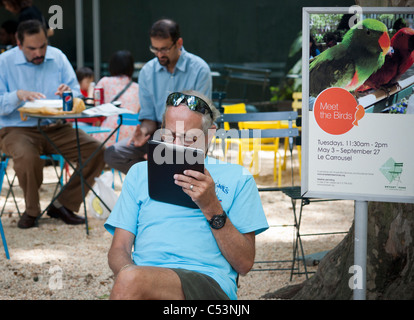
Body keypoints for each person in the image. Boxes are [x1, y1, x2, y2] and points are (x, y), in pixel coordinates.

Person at [105, 90, 269, 300]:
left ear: (210, 135)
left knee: (131, 279)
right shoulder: (139, 173)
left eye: (189, 138)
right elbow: (119, 248)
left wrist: (211, 206)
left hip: (206, 282)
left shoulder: (238, 178)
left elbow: (244, 263)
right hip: (142, 280)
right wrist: (132, 278)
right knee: (130, 278)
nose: (177, 146)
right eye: (170, 135)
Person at [0, 20, 105, 229]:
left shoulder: (57, 57)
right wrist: (17, 95)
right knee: (27, 156)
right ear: (19, 44)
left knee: (97, 150)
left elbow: (77, 96)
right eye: (32, 48)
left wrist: (69, 93)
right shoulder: (4, 61)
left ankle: (63, 205)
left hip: (55, 127)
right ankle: (31, 210)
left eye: (42, 46)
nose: (39, 53)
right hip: (16, 129)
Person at [104, 18, 212, 174]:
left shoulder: (200, 70)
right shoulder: (147, 72)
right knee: (114, 154)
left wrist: (176, 139)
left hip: (189, 136)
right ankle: (157, 176)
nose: (159, 55)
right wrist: (144, 131)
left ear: (179, 43)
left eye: (164, 49)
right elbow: (148, 117)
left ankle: (162, 175)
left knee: (178, 155)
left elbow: (201, 118)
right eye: (155, 49)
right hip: (158, 135)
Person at [92, 50, 140, 146]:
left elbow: (97, 106)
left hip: (108, 133)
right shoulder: (138, 87)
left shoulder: (104, 82)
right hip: (132, 136)